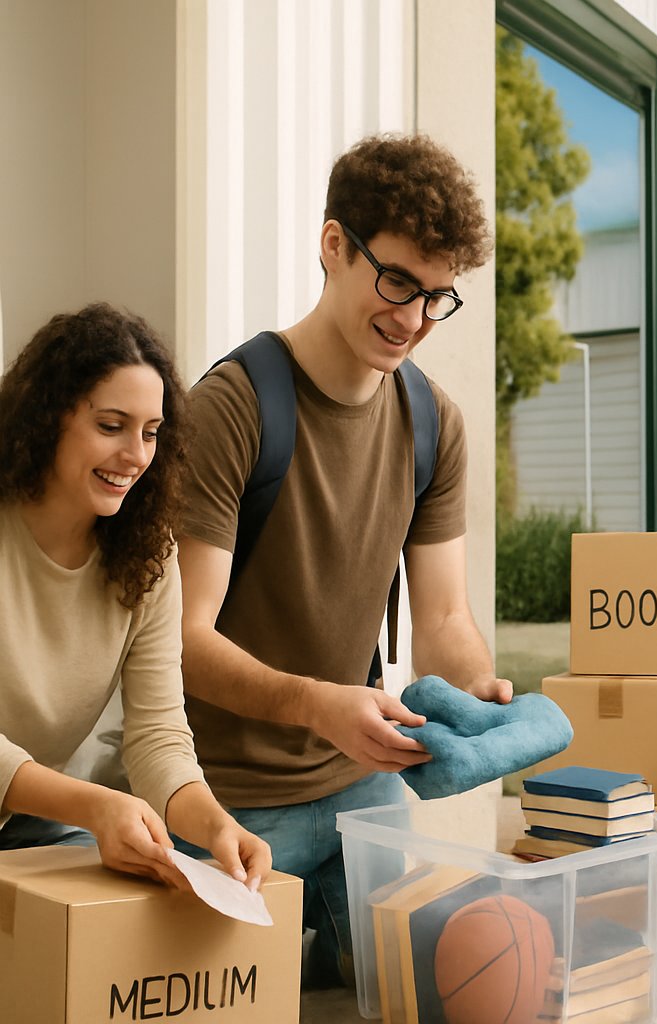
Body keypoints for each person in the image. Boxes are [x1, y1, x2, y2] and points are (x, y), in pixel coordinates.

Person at [176, 134, 509, 987]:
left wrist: (479, 693)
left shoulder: (435, 424)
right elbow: (182, 637)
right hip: (226, 797)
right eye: (396, 282)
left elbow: (441, 619)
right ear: (333, 246)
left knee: (450, 983)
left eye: (438, 298)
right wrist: (317, 704)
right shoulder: (234, 407)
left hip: (361, 791)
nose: (413, 320)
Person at [0, 304, 271, 890]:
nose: (136, 456)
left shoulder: (148, 557)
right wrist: (95, 805)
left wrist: (215, 824)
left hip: (27, 822)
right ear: (46, 417)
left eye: (151, 433)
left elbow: (158, 735)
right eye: (110, 426)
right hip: (47, 810)